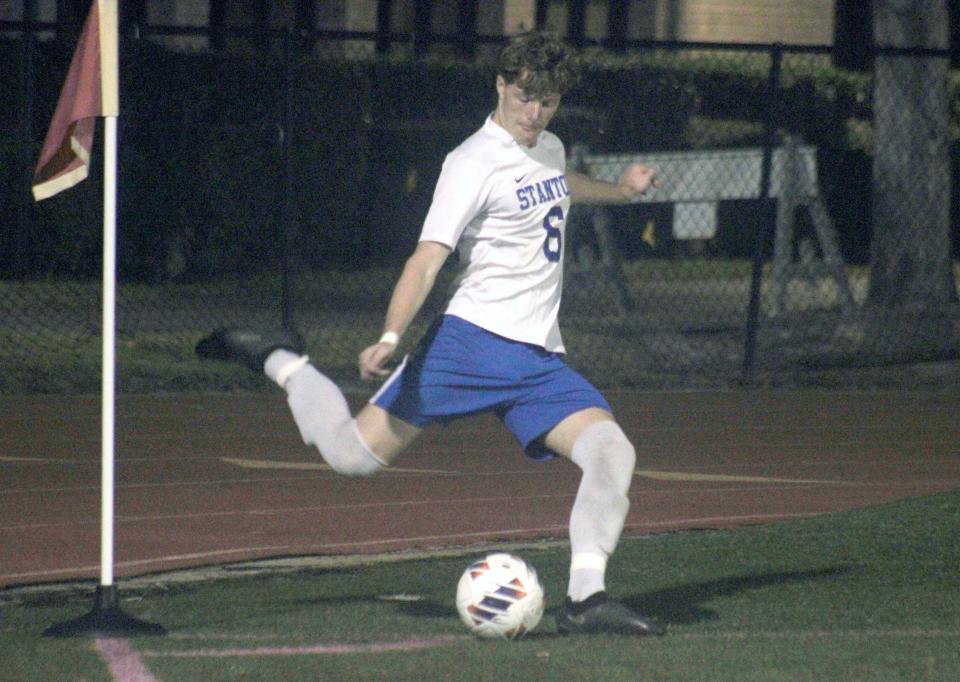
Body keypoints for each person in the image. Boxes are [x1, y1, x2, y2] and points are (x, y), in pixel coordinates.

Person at [197, 31, 664, 636]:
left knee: (612, 451)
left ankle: (585, 599)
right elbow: (426, 259)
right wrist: (390, 337)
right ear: (499, 85)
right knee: (349, 458)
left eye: (547, 102)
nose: (533, 113)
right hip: (470, 345)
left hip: (539, 359)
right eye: (524, 97)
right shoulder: (469, 162)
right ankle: (280, 359)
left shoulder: (547, 144)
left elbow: (561, 181)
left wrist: (622, 192)